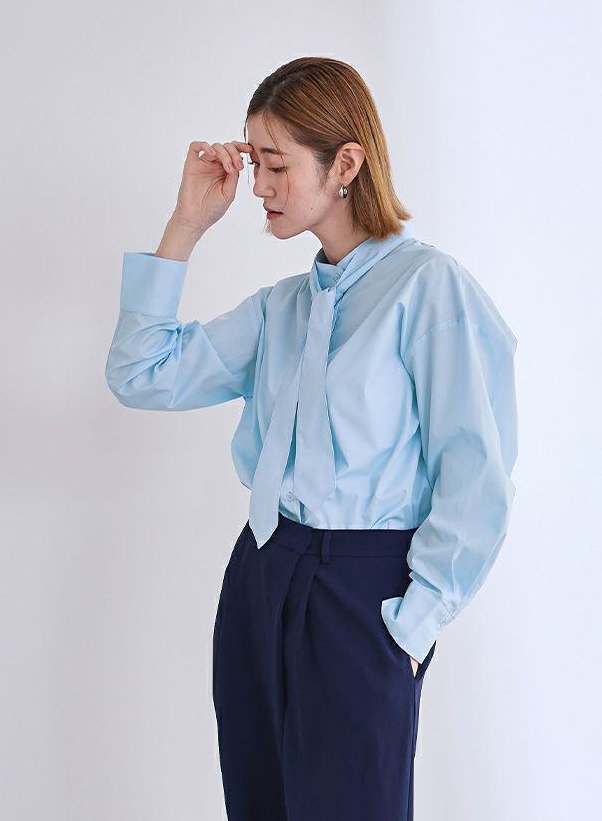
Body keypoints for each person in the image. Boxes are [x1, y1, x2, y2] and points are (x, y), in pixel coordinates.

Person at [105, 56, 518, 821]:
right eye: (254, 162)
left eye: (275, 164)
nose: (258, 185)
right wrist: (187, 224)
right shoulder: (281, 308)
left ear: (345, 165)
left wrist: (412, 626)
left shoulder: (429, 290)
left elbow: (474, 472)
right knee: (258, 804)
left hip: (365, 593)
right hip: (262, 571)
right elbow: (141, 375)